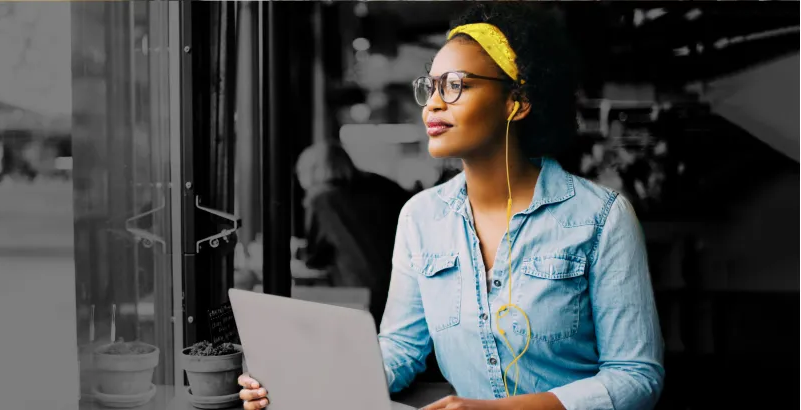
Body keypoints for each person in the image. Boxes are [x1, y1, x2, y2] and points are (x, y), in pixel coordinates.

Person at [239, 3, 664, 410]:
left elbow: (636, 377)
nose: (434, 103)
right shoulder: (421, 218)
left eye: (456, 84)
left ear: (517, 101)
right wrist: (301, 381)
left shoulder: (602, 217)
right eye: (431, 86)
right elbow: (401, 348)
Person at [294, 141, 412, 332]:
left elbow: (315, 259)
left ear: (311, 172)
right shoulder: (381, 185)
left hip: (361, 295)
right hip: (406, 287)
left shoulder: (323, 199)